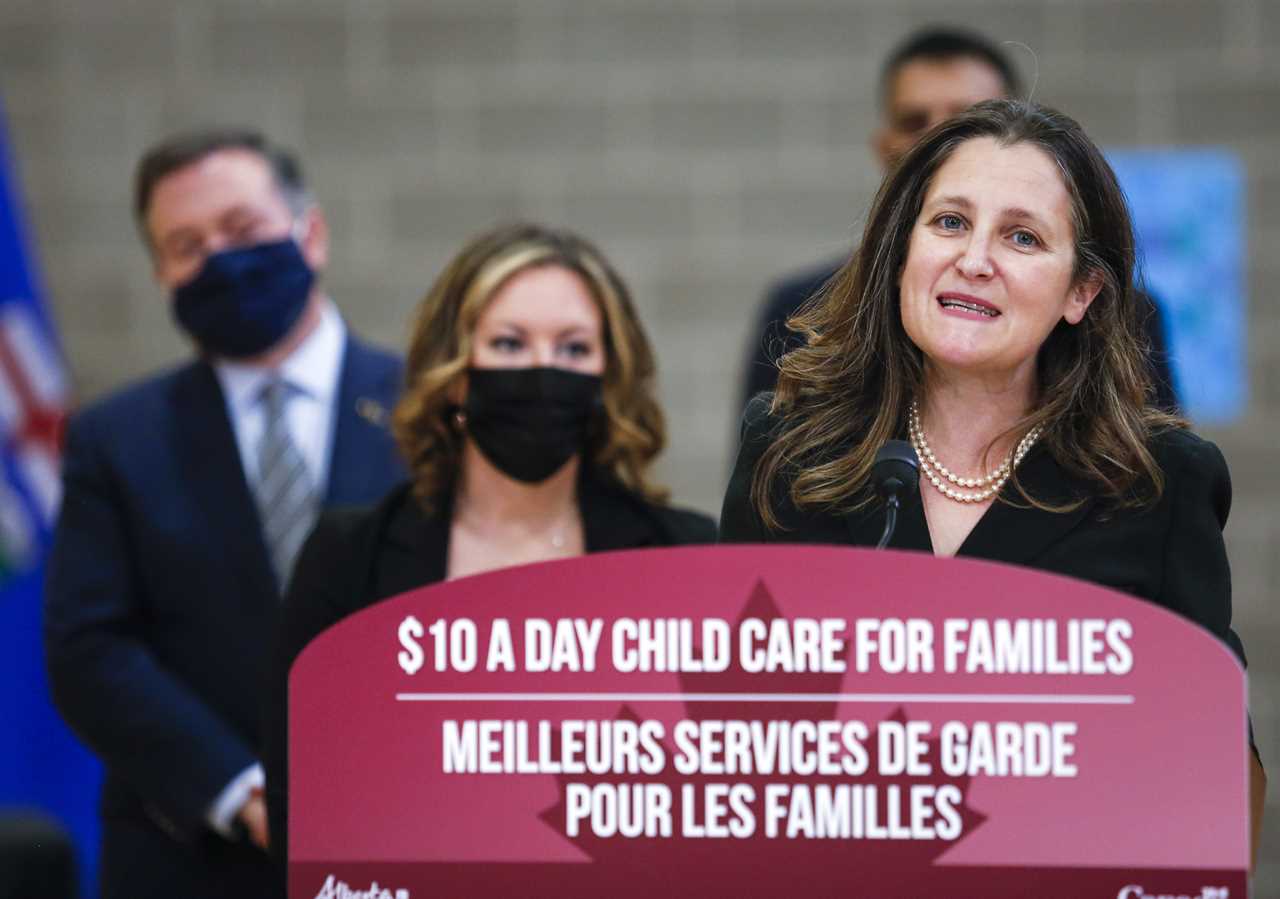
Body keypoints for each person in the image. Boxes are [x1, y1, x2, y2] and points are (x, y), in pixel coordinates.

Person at [720, 99, 1264, 861]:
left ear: (1083, 292)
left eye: (1022, 236)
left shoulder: (1159, 481)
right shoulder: (790, 453)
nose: (975, 258)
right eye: (949, 222)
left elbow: (1217, 781)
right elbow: (731, 743)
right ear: (900, 250)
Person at [262, 222, 717, 868]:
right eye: (508, 343)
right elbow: (298, 797)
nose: (541, 370)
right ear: (454, 376)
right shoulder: (350, 555)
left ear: (607, 374)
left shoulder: (685, 556)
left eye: (573, 348)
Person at [43, 130, 405, 899]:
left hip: (408, 838)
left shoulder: (432, 410)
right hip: (186, 854)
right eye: (186, 243)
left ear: (311, 233)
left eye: (242, 230)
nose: (219, 259)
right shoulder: (116, 439)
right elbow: (88, 646)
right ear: (160, 272)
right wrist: (243, 792)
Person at [739, 26, 1179, 413]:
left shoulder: (1126, 311)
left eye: (970, 117)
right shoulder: (802, 307)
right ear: (882, 146)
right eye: (950, 222)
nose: (939, 139)